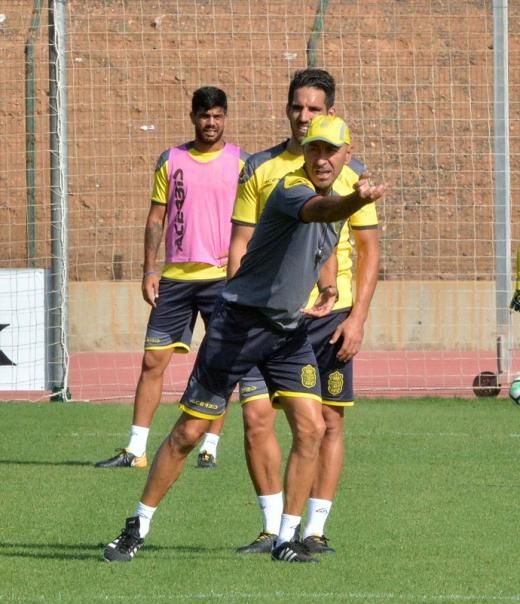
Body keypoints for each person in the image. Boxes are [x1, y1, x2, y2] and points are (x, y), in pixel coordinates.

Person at [102, 114, 387, 564]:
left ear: (347, 154)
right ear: (304, 151)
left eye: (331, 150)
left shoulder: (336, 194)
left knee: (312, 426)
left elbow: (325, 240)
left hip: (286, 329)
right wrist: (354, 200)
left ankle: (286, 539)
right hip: (238, 324)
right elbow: (323, 213)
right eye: (314, 148)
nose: (322, 158)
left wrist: (328, 284)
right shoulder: (293, 189)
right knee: (188, 433)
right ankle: (137, 524)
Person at [229, 69, 380, 555]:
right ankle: (273, 529)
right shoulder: (260, 167)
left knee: (327, 424)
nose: (303, 116)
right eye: (297, 106)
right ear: (286, 108)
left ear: (329, 115)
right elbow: (240, 244)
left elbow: (369, 251)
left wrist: (356, 318)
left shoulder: (351, 178)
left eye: (314, 109)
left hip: (332, 320)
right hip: (265, 318)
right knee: (256, 419)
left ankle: (312, 530)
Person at [95, 86, 249, 470]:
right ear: (193, 117)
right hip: (176, 279)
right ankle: (135, 450)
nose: (210, 122)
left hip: (222, 280)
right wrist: (149, 270)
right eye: (204, 115)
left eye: (217, 115)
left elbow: (252, 224)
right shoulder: (171, 160)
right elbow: (155, 219)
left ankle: (209, 446)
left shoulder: (243, 163)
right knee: (152, 362)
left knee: (220, 363)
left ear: (225, 117)